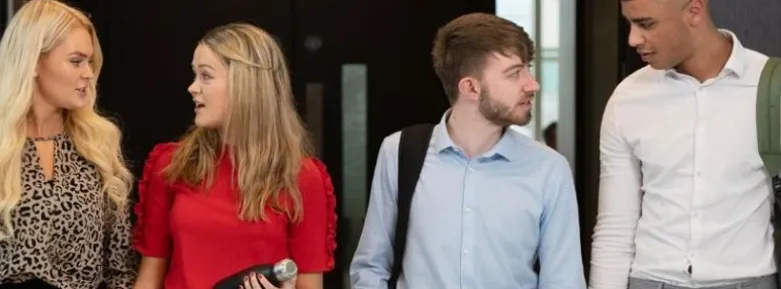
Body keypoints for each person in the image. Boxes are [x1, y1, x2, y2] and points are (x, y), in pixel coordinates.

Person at [350, 13, 585, 289]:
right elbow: (371, 267)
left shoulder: (549, 168)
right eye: (514, 73)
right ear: (470, 88)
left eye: (528, 69)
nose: (532, 84)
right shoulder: (399, 152)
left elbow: (563, 281)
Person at [131, 23, 337, 289]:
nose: (192, 87)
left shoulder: (302, 177)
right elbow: (148, 280)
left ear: (245, 84)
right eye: (195, 75)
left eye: (205, 76)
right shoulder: (172, 164)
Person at [590, 0, 776, 288]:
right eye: (630, 24)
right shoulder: (627, 98)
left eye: (646, 24)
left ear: (694, 10)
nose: (633, 39)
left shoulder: (771, 87)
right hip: (650, 279)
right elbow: (615, 228)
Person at [0, 0, 137, 288]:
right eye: (76, 61)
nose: (88, 72)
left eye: (90, 62)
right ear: (34, 61)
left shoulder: (99, 145)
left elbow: (120, 270)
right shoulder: (4, 147)